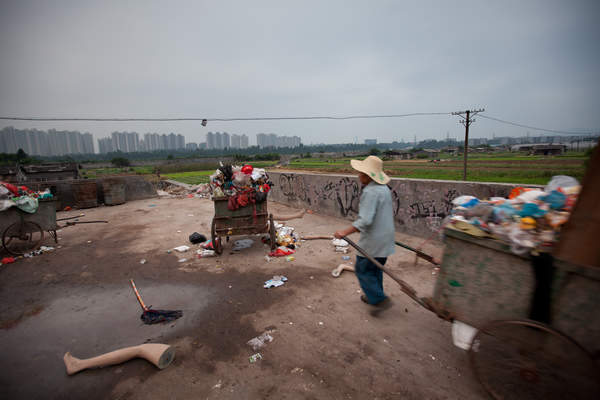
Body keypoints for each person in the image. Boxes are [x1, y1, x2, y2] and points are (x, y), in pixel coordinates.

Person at [334, 155, 395, 311]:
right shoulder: (384, 189)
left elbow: (365, 221)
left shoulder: (371, 192)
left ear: (368, 176)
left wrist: (344, 232)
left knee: (363, 269)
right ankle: (374, 295)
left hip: (373, 241)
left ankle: (379, 299)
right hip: (386, 238)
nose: (358, 175)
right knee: (375, 269)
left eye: (360, 173)